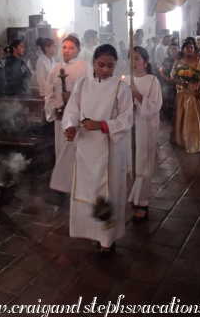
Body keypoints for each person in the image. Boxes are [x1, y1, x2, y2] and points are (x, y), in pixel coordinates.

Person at [62, 44, 133, 258]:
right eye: (101, 65)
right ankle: (90, 232)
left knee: (108, 192)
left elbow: (127, 118)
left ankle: (107, 241)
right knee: (88, 192)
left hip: (110, 148)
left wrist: (102, 125)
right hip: (86, 148)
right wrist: (71, 128)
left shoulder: (121, 88)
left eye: (110, 65)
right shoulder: (82, 85)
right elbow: (72, 112)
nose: (105, 70)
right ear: (93, 63)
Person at [45, 35, 91, 203]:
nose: (67, 50)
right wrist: (55, 107)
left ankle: (78, 184)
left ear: (78, 50)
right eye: (64, 47)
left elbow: (90, 90)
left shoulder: (84, 66)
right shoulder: (56, 68)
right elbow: (49, 92)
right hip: (61, 117)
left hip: (77, 117)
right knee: (62, 150)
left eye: (71, 48)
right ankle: (62, 187)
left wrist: (72, 96)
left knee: (76, 150)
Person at [125, 47, 162, 223]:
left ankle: (143, 203)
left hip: (145, 127)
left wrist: (138, 96)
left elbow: (155, 106)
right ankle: (134, 196)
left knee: (143, 163)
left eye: (137, 59)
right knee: (131, 163)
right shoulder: (124, 81)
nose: (133, 63)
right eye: (130, 59)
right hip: (130, 127)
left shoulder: (152, 81)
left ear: (145, 62)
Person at [170, 40, 200, 153]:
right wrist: (182, 83)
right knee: (182, 117)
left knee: (193, 117)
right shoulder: (178, 62)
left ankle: (195, 142)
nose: (189, 50)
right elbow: (173, 77)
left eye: (191, 48)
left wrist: (199, 90)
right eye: (187, 48)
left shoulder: (198, 61)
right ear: (182, 50)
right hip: (182, 93)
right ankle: (182, 140)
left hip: (194, 92)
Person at [160, 43, 179, 120]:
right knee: (167, 99)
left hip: (179, 84)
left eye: (175, 49)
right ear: (169, 50)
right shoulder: (166, 60)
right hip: (168, 83)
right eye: (172, 49)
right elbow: (162, 73)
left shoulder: (181, 59)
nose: (174, 51)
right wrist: (168, 79)